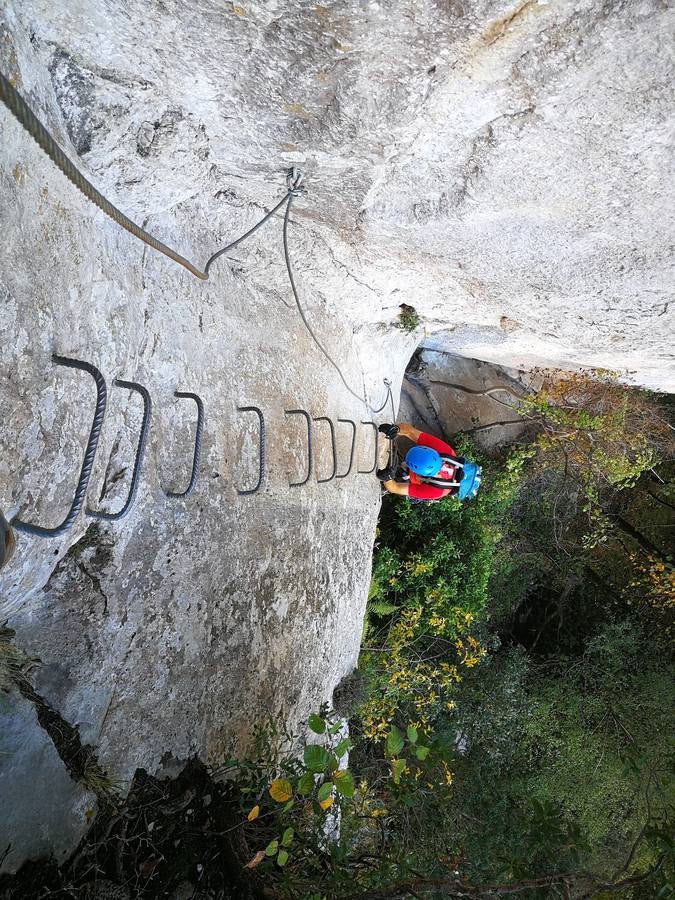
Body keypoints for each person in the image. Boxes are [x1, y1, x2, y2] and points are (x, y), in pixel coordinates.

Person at [375, 422, 482, 502]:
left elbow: (396, 488)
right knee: (400, 470)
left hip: (412, 480)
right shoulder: (446, 452)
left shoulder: (436, 491)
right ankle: (402, 469)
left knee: (400, 475)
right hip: (416, 471)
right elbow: (410, 431)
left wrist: (387, 479)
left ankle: (396, 475)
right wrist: (395, 429)